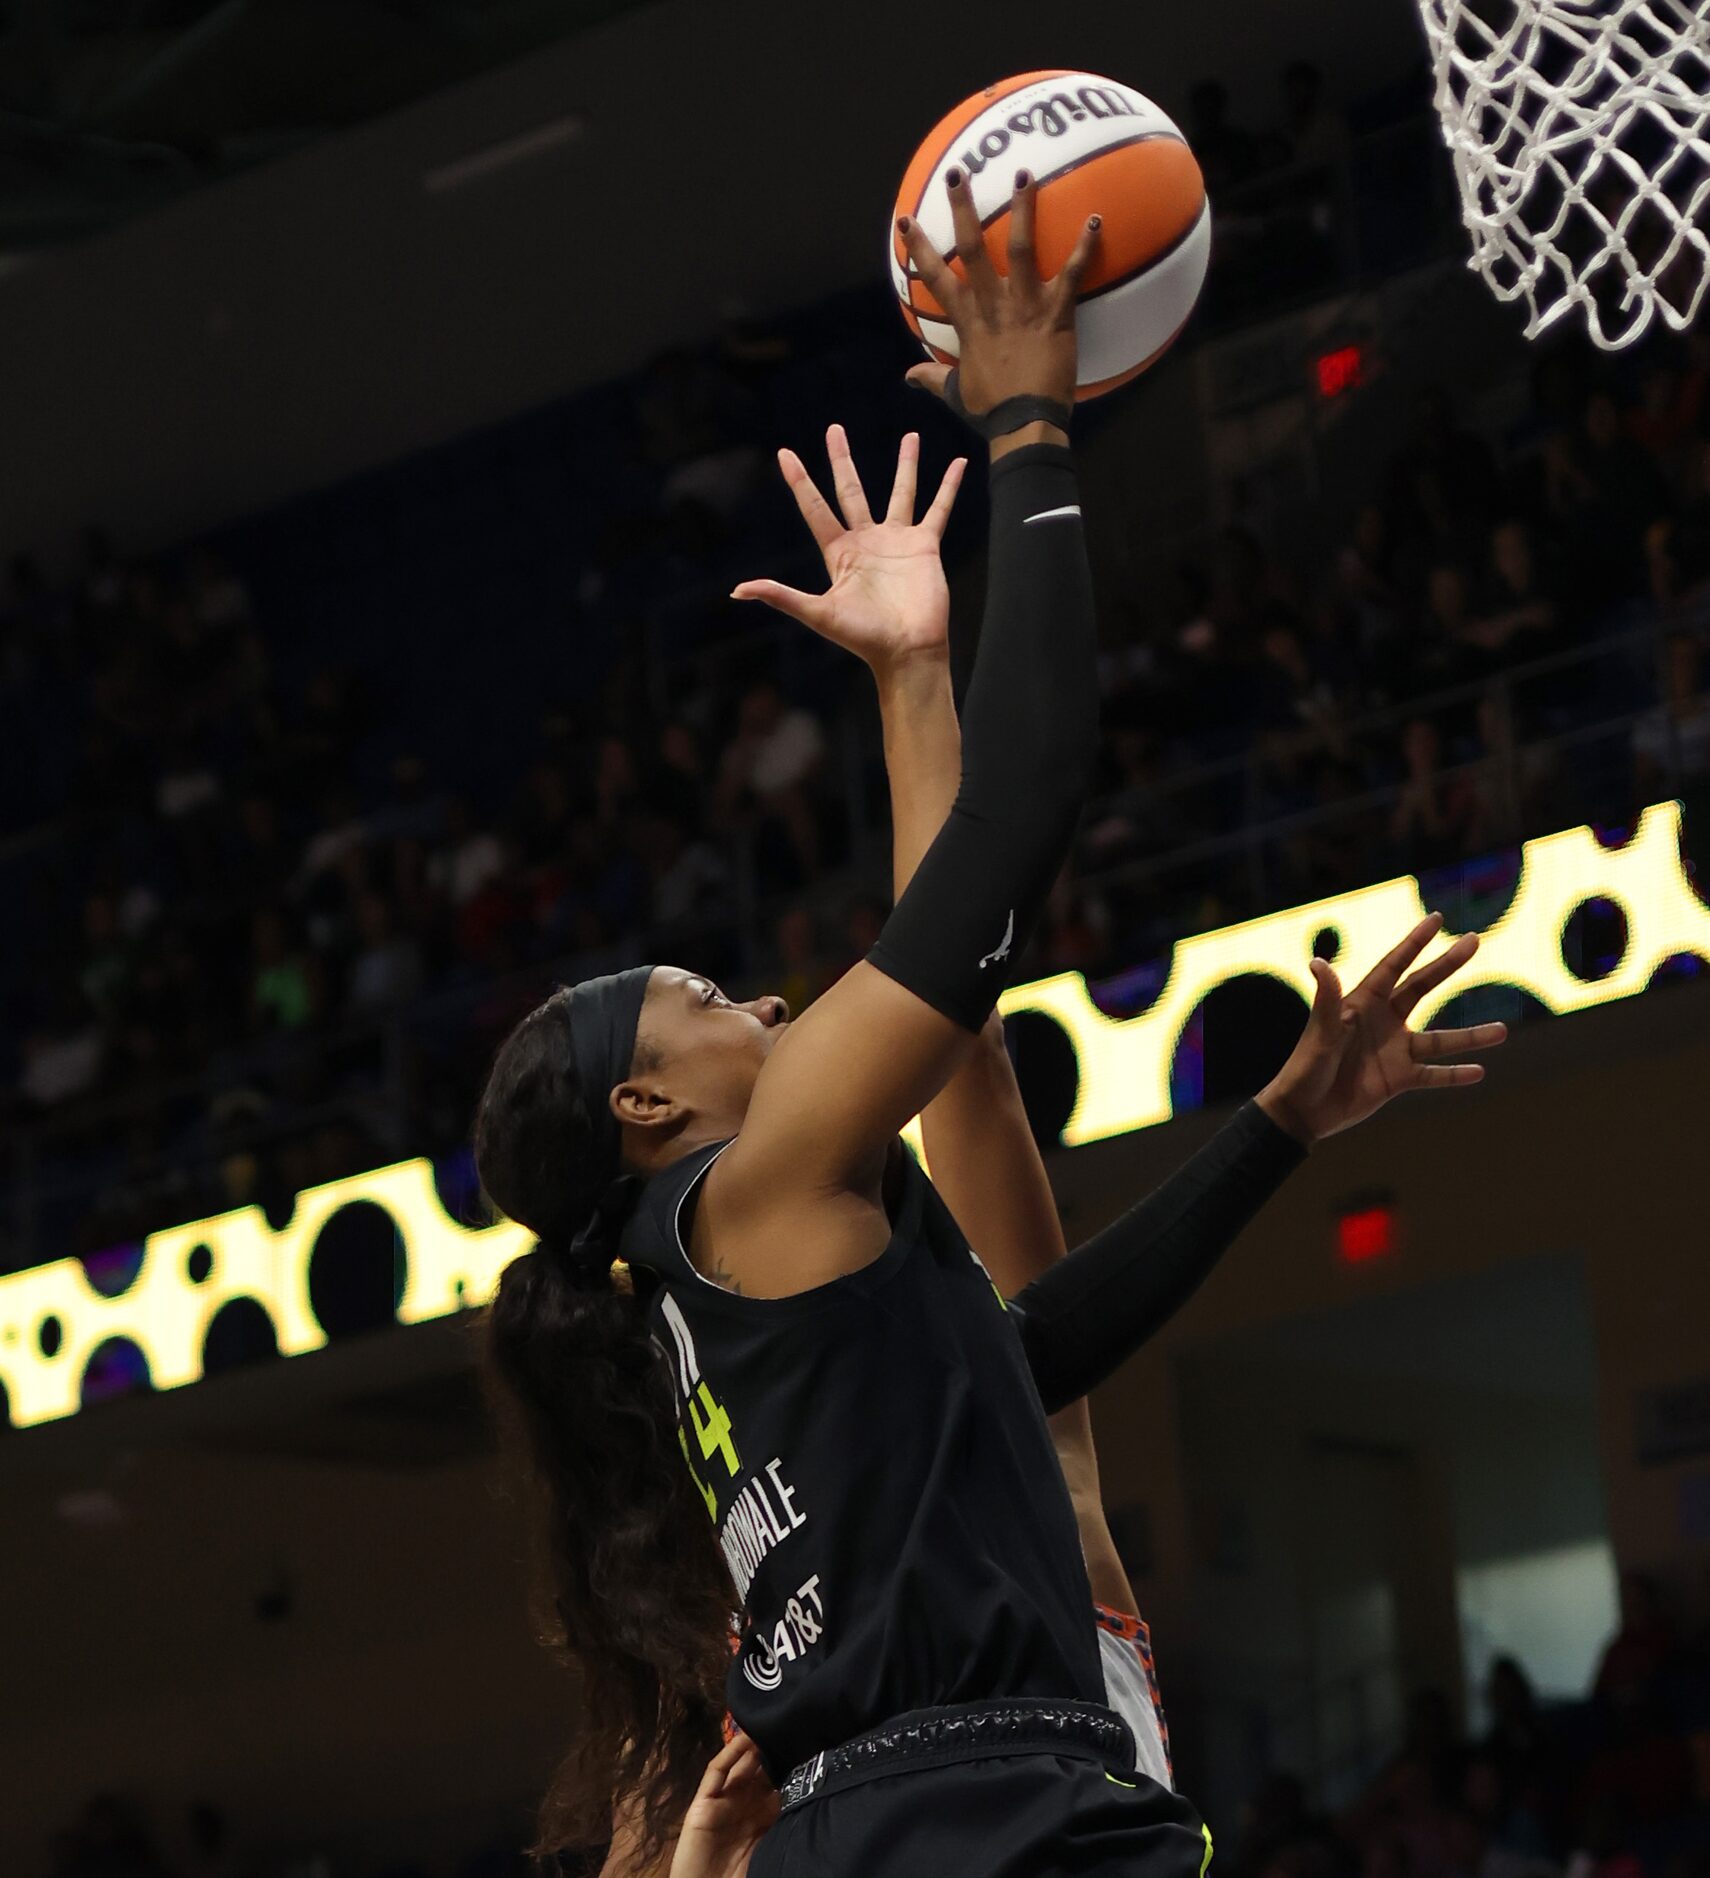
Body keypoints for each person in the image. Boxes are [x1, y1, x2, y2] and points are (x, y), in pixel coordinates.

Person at [475, 172, 1504, 1878]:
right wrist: (1028, 428)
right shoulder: (745, 1197)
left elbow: (1019, 1338)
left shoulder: (741, 1302)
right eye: (707, 999)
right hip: (986, 1825)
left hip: (926, 1825)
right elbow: (1007, 849)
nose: (768, 997)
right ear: (647, 1106)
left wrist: (908, 677)